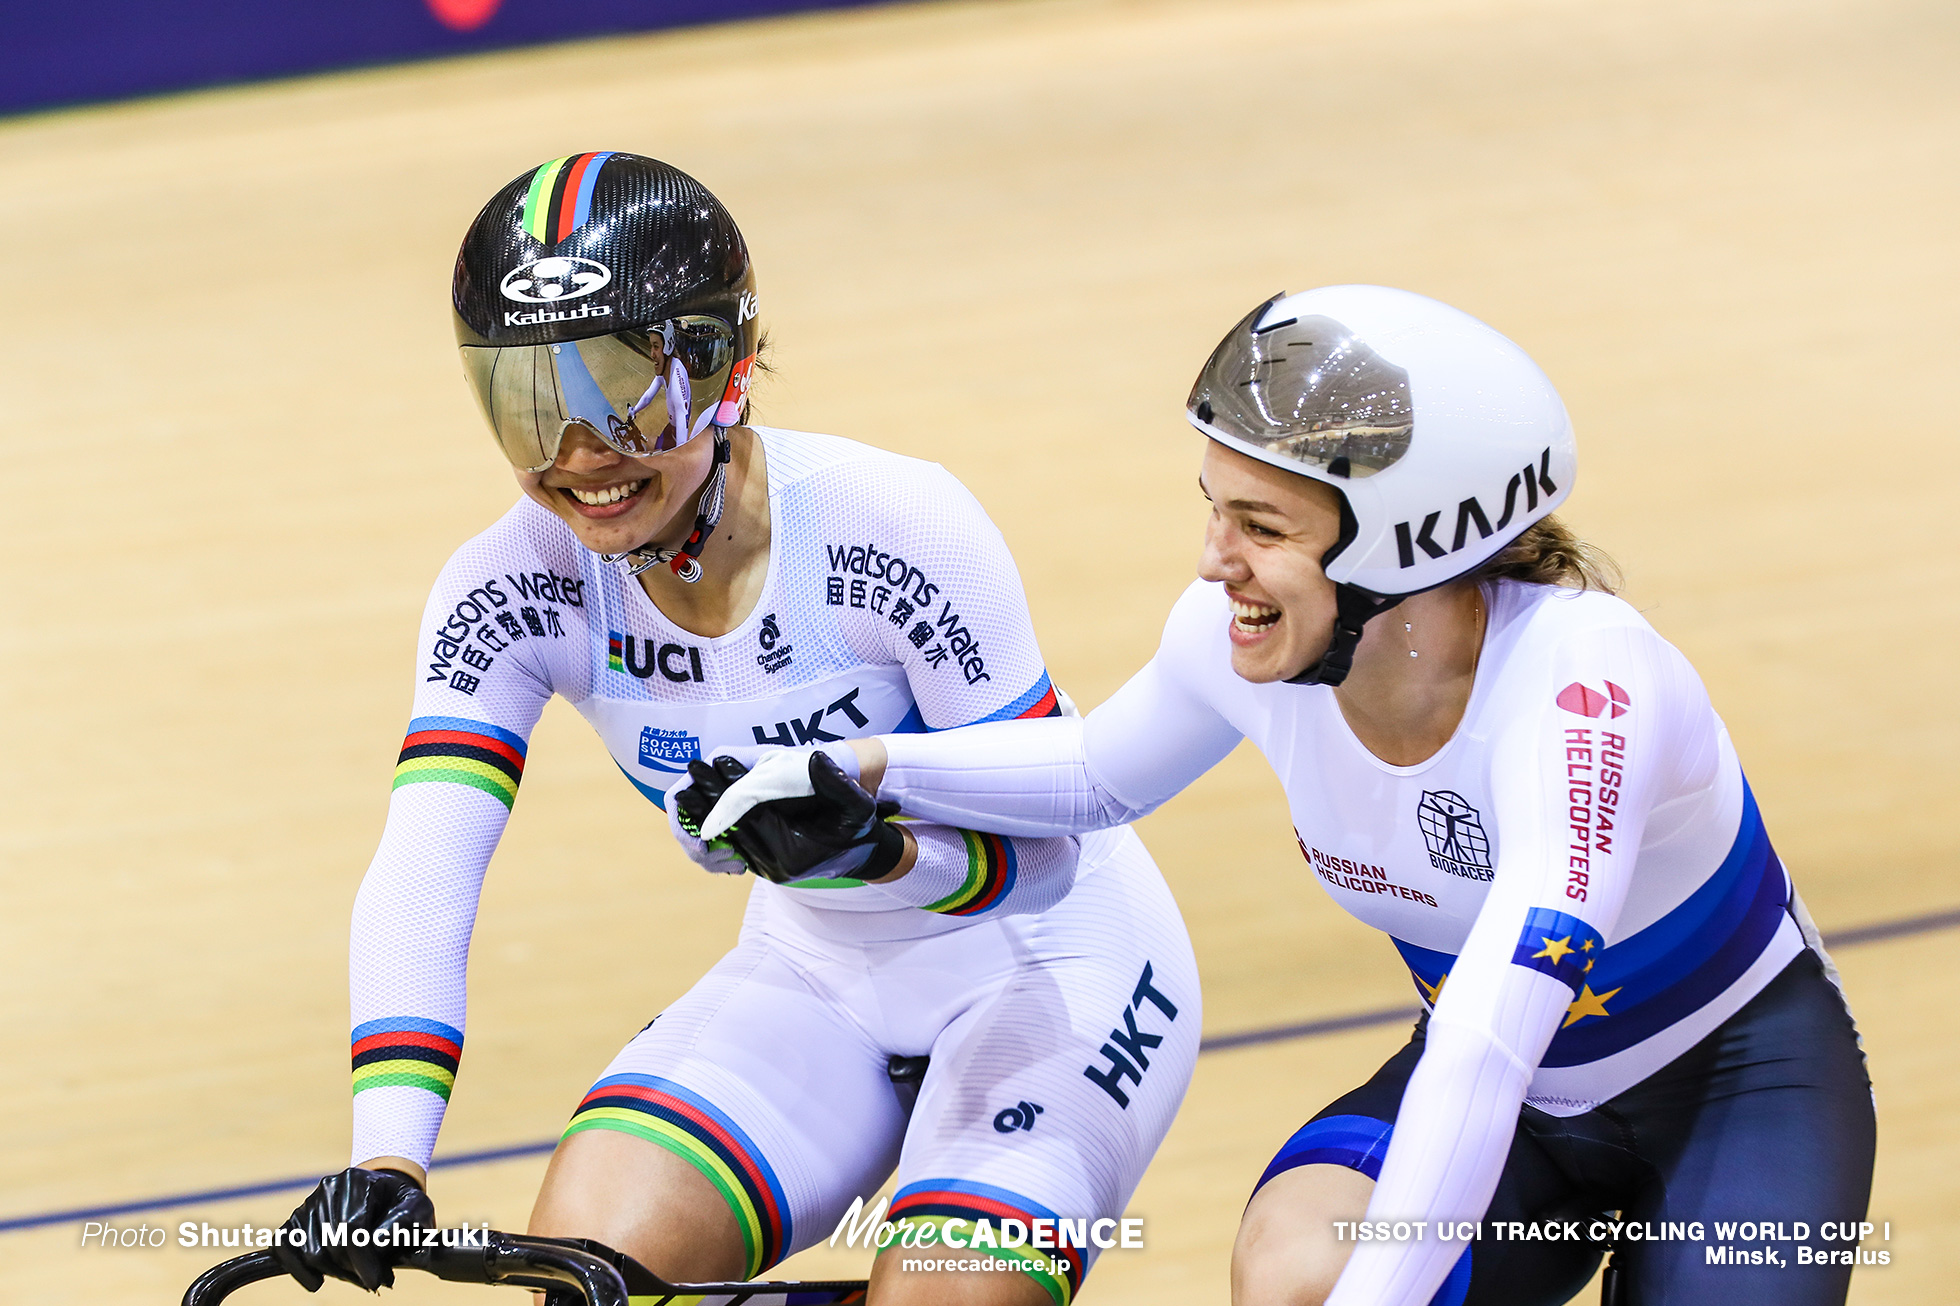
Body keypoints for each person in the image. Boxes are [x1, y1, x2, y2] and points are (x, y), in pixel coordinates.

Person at [700, 285, 1876, 1306]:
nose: (1217, 559)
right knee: (1296, 1263)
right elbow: (1097, 771)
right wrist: (858, 768)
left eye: (1262, 526)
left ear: (1404, 550)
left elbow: (1485, 1047)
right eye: (1214, 508)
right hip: (1525, 1111)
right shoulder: (1241, 632)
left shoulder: (1584, 689)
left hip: (1740, 1089)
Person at [271, 152, 1200, 1306]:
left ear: (723, 365)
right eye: (527, 403)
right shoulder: (506, 585)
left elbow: (1045, 850)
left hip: (1053, 962)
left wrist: (880, 849)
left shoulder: (895, 527)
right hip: (816, 971)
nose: (579, 456)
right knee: (587, 1280)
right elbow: (424, 865)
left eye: (620, 392)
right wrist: (388, 1153)